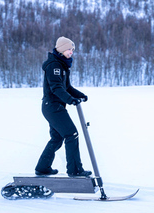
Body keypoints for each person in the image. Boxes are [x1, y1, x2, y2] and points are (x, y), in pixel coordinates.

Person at [35, 36, 92, 177]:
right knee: (71, 134)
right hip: (52, 107)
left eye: (72, 49)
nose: (71, 52)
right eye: (68, 49)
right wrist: (70, 100)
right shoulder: (54, 66)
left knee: (57, 138)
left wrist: (80, 95)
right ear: (61, 50)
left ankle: (42, 168)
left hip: (55, 106)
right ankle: (75, 170)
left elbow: (67, 87)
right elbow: (56, 88)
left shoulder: (62, 66)